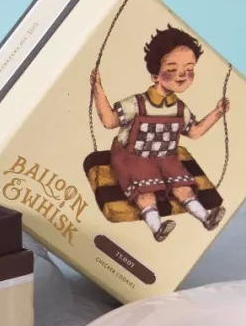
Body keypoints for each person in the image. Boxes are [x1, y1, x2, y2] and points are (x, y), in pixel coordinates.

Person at [90, 24, 229, 242]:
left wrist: (217, 112)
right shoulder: (136, 104)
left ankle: (206, 217)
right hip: (132, 157)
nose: (182, 74)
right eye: (172, 68)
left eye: (189, 69)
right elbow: (109, 121)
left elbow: (194, 132)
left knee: (183, 186)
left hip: (166, 157)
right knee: (145, 192)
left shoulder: (180, 109)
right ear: (155, 75)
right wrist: (97, 89)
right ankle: (157, 227)